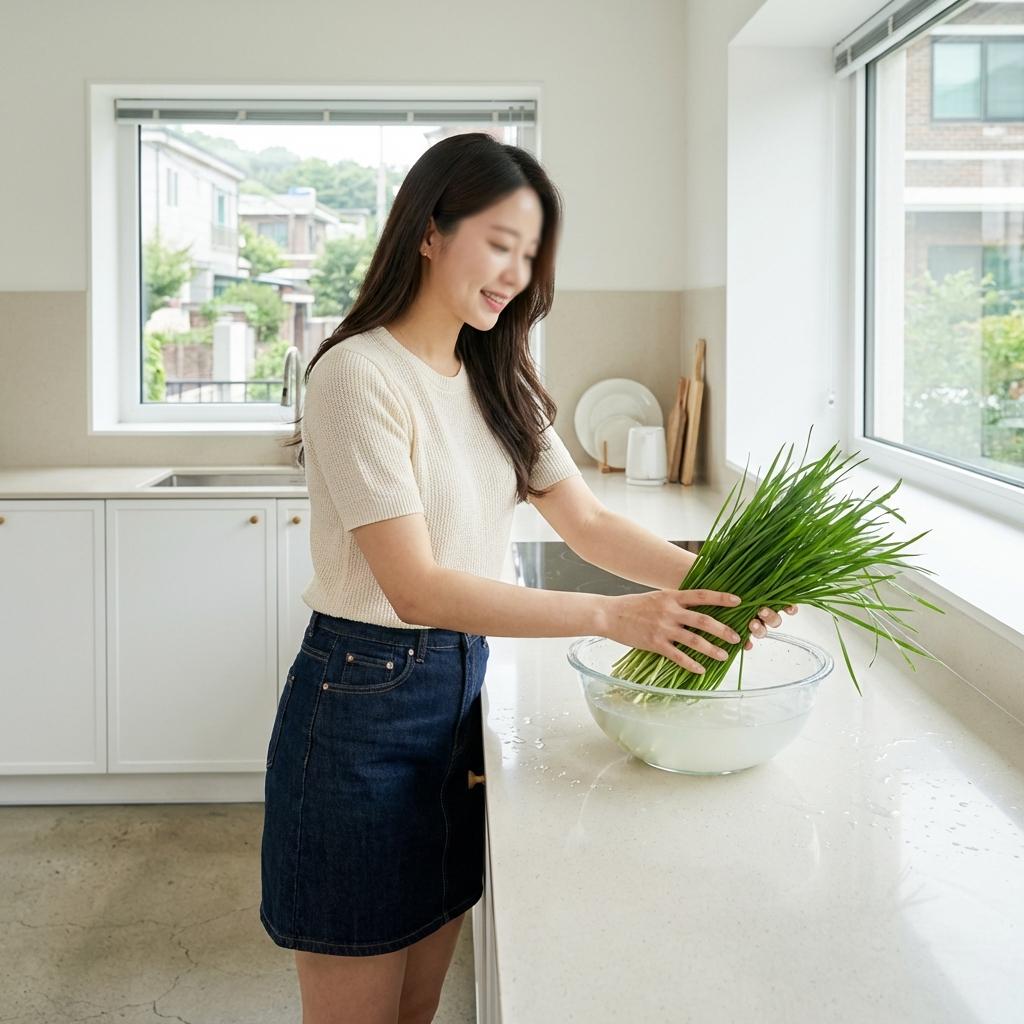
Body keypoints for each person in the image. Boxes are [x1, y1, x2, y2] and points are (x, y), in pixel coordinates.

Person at [259, 131, 795, 1024]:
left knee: (418, 1004)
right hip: (359, 709)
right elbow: (416, 588)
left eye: (531, 254)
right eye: (499, 244)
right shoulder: (358, 375)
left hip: (455, 698)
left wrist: (723, 586)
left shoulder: (497, 375)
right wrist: (612, 617)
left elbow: (589, 523)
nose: (515, 273)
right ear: (428, 232)